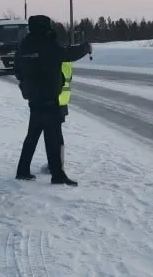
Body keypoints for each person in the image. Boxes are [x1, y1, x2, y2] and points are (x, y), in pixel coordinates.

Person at [14, 15, 92, 186]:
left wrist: (26, 85)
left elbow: (16, 68)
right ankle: (57, 175)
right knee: (53, 138)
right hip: (49, 98)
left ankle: (22, 170)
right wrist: (84, 48)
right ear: (45, 27)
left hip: (34, 99)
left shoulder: (25, 44)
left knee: (32, 136)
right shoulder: (47, 43)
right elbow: (66, 54)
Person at [40, 59, 73, 175]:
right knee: (57, 134)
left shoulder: (56, 61)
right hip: (63, 100)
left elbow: (55, 81)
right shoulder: (67, 61)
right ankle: (59, 162)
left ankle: (55, 165)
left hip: (55, 101)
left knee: (52, 135)